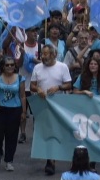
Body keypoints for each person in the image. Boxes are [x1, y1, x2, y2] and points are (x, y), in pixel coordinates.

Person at [30, 44, 72, 175]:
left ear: (54, 55)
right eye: (42, 54)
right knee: (45, 133)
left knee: (56, 133)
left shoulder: (62, 67)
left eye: (46, 54)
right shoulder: (37, 68)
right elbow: (32, 85)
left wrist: (58, 88)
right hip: (43, 105)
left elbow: (68, 84)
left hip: (58, 106)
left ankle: (53, 159)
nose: (43, 56)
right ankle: (49, 158)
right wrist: (38, 89)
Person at [0, 56, 26, 171]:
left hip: (14, 109)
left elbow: (22, 96)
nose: (10, 67)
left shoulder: (20, 78)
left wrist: (23, 112)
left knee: (12, 136)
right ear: (3, 67)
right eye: (7, 65)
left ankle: (9, 160)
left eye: (12, 65)